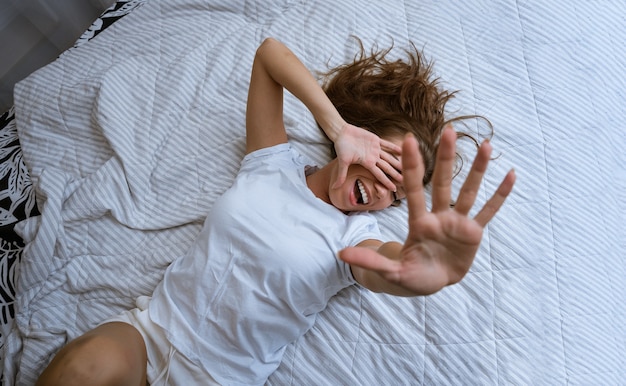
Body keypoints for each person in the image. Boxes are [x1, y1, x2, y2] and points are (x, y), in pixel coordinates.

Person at [36, 38, 516, 386]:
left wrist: (416, 270)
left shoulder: (353, 237)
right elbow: (268, 55)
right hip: (153, 331)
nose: (385, 186)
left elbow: (385, 264)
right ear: (358, 139)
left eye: (400, 187)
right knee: (80, 370)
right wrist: (337, 124)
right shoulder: (272, 164)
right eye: (386, 162)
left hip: (220, 378)